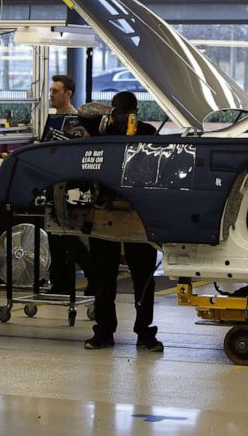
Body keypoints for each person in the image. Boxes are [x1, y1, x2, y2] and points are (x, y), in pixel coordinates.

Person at [85, 91, 162, 352]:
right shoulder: (100, 133)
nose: (120, 118)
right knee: (103, 278)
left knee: (143, 279)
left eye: (125, 112)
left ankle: (144, 332)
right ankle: (104, 331)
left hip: (137, 214)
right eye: (116, 112)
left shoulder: (149, 133)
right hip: (104, 214)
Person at [43, 73, 95, 296]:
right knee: (54, 233)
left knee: (70, 235)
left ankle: (94, 275)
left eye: (55, 91)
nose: (51, 95)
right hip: (54, 182)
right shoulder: (52, 120)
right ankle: (59, 283)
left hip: (73, 185)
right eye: (51, 91)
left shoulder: (78, 121)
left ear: (68, 94)